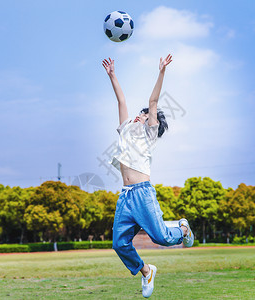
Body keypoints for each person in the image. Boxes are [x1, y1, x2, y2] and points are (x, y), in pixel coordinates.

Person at [102, 54, 194, 298]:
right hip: (126, 196)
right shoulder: (126, 131)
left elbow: (153, 101)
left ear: (148, 121)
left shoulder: (148, 135)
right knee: (119, 244)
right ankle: (146, 271)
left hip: (143, 193)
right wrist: (112, 75)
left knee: (163, 237)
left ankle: (183, 230)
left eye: (144, 115)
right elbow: (121, 101)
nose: (139, 115)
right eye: (141, 114)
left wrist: (161, 71)